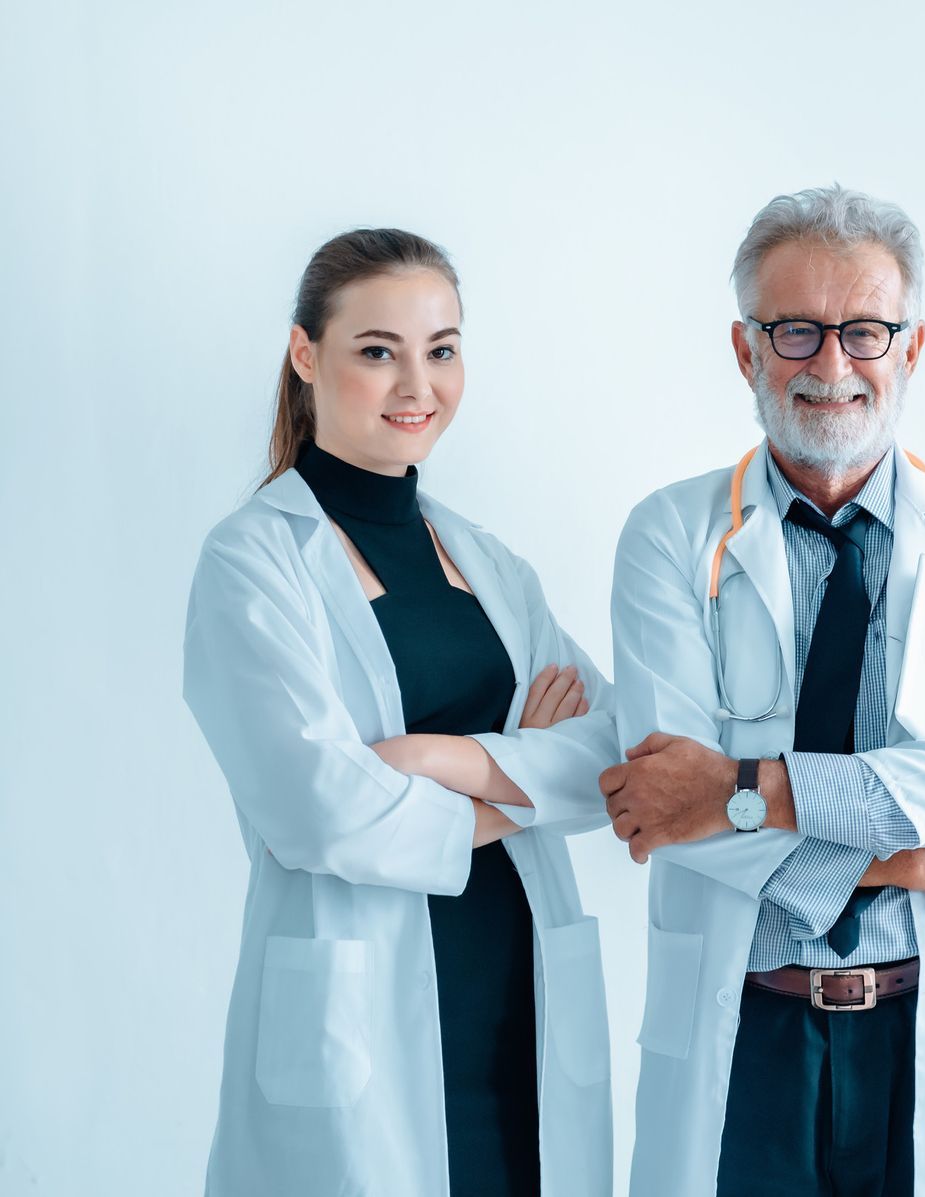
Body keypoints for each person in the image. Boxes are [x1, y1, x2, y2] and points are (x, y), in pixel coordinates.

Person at [598, 185, 925, 1196]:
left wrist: (742, 786)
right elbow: (670, 807)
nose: (834, 366)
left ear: (914, 347)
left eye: (866, 331)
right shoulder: (670, 537)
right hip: (746, 1026)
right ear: (745, 348)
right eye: (797, 331)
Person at [183, 229, 617, 1196]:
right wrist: (522, 776)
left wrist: (434, 758)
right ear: (307, 355)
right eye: (378, 350)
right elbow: (320, 807)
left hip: (518, 998)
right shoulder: (253, 563)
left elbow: (616, 751)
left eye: (442, 348)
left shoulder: (492, 563)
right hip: (361, 1017)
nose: (417, 383)